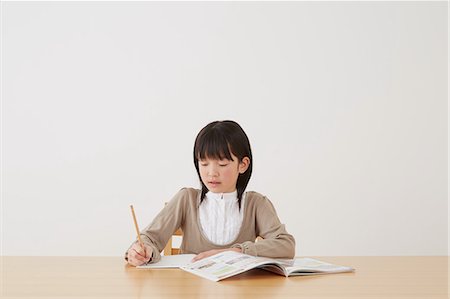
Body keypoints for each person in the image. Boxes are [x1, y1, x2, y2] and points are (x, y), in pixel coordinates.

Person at [125, 120, 295, 266]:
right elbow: (150, 238)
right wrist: (142, 250)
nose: (211, 173)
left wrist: (235, 251)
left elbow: (286, 245)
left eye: (222, 164)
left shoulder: (256, 204)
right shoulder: (186, 199)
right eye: (204, 164)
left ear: (243, 164)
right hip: (190, 289)